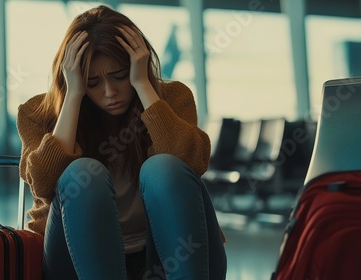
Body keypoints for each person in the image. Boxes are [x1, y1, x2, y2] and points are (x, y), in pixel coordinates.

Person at [17, 5, 227, 280]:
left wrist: (142, 83)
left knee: (164, 167)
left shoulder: (173, 98)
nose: (110, 92)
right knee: (83, 174)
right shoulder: (38, 113)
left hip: (168, 258)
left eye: (120, 76)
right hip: (75, 261)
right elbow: (44, 184)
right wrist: (73, 96)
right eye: (93, 82)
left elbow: (191, 164)